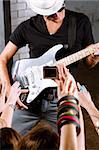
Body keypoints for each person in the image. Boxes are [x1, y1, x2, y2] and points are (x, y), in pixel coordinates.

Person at [0, 0, 99, 135]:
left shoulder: (80, 22)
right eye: (51, 14)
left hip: (62, 97)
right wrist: (9, 92)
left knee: (71, 141)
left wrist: (94, 57)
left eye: (60, 9)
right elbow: (2, 58)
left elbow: (89, 64)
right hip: (28, 97)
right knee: (6, 136)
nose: (58, 15)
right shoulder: (28, 27)